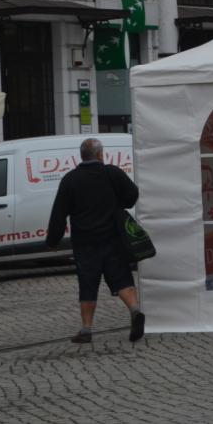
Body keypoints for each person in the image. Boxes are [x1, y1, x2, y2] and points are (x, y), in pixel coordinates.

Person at [46, 137, 145, 343]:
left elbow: (59, 213)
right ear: (101, 155)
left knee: (88, 283)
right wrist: (120, 202)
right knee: (121, 277)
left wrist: (52, 240)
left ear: (81, 156)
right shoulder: (112, 173)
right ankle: (135, 310)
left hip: (85, 242)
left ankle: (86, 330)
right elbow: (132, 194)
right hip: (113, 237)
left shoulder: (70, 179)